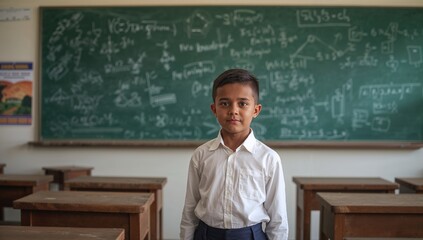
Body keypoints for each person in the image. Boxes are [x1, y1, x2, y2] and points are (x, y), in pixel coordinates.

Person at [180, 68, 289, 240]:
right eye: (224, 103)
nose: (233, 110)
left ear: (256, 110)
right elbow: (190, 208)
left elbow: (278, 219)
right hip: (207, 234)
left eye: (243, 103)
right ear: (214, 108)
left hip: (251, 235)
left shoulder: (269, 159)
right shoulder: (201, 155)